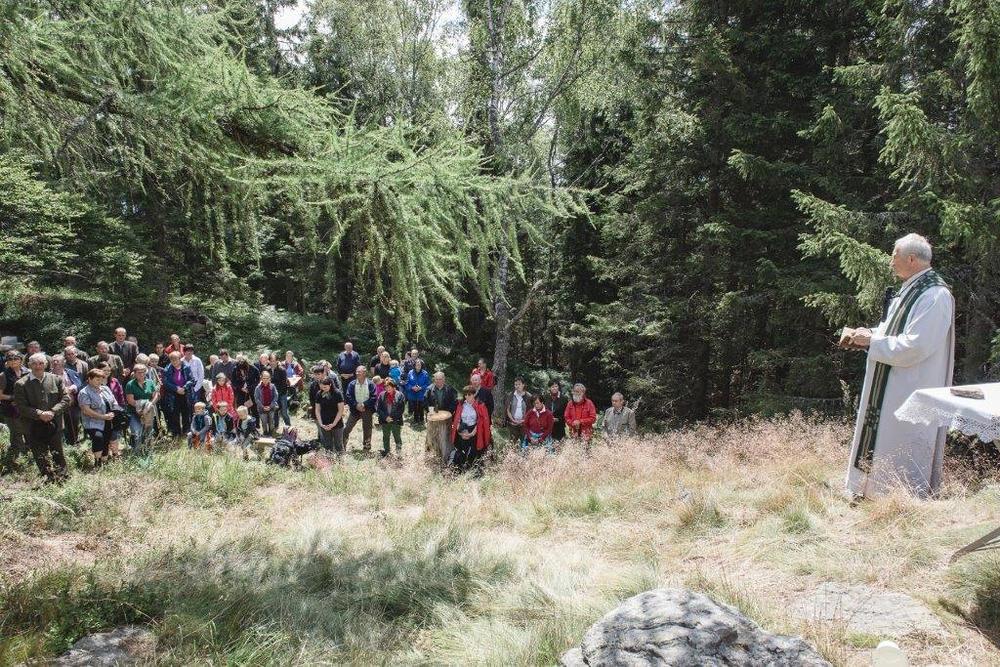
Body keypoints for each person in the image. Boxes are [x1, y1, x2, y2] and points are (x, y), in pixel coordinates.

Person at [842, 233, 955, 499]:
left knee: (899, 440)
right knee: (882, 437)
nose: (890, 261)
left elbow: (916, 346)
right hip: (892, 382)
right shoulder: (912, 288)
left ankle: (896, 499)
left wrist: (873, 342)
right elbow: (893, 331)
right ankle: (867, 492)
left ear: (911, 259)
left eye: (894, 255)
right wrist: (868, 334)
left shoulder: (935, 295)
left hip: (909, 386)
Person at [13, 353, 72, 482]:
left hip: (55, 423)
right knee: (40, 454)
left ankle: (63, 477)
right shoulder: (21, 384)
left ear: (45, 365)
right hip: (32, 426)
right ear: (29, 365)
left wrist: (53, 411)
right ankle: (48, 478)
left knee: (58, 452)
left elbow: (66, 399)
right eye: (34, 363)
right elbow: (21, 406)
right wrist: (40, 414)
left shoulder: (56, 379)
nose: (38, 366)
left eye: (41, 363)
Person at [78, 368, 123, 467]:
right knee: (98, 438)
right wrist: (103, 417)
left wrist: (114, 412)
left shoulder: (105, 389)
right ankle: (97, 462)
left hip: (108, 420)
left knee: (106, 439)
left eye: (101, 379)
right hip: (92, 422)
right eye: (97, 379)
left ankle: (104, 462)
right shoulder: (84, 392)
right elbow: (86, 410)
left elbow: (114, 401)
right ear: (89, 379)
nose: (100, 382)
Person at [450, 385, 491, 469]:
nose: (467, 396)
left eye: (469, 394)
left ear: (474, 394)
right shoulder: (461, 404)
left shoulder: (480, 405)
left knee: (473, 450)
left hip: (475, 430)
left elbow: (480, 422)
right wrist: (460, 432)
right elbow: (457, 419)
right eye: (465, 394)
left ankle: (471, 466)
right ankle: (460, 466)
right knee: (462, 449)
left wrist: (471, 434)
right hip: (463, 429)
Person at [0, 351, 28, 471]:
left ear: (21, 360)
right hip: (11, 409)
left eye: (15, 358)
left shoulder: (28, 372)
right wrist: (14, 398)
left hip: (27, 408)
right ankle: (20, 460)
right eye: (10, 359)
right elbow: (0, 395)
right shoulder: (3, 375)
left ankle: (24, 456)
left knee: (28, 432)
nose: (13, 361)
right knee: (17, 433)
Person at [124, 363, 158, 452]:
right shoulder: (130, 384)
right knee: (137, 432)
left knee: (148, 431)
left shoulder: (150, 382)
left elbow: (155, 395)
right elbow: (130, 400)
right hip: (134, 412)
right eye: (139, 372)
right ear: (134, 373)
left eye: (143, 372)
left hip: (148, 412)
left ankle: (148, 451)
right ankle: (136, 452)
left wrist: (150, 404)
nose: (142, 374)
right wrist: (141, 408)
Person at [49, 355, 82, 446]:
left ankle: (74, 443)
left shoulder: (71, 372)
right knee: (58, 426)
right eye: (53, 361)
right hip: (56, 406)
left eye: (57, 361)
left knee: (73, 424)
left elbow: (79, 383)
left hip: (72, 404)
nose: (55, 363)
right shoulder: (48, 375)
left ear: (63, 362)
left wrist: (73, 387)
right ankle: (60, 445)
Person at [161, 351, 195, 435]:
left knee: (186, 412)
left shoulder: (186, 367)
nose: (174, 362)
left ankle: (186, 430)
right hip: (173, 394)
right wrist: (176, 389)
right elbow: (165, 382)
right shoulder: (167, 369)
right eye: (172, 360)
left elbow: (192, 380)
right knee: (174, 413)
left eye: (175, 359)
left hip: (185, 393)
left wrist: (184, 387)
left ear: (180, 359)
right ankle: (176, 432)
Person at [344, 366, 377, 452]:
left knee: (367, 430)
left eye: (359, 372)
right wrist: (356, 405)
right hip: (355, 410)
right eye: (356, 371)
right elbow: (348, 396)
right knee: (347, 428)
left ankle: (366, 448)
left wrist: (364, 404)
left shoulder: (370, 384)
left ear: (364, 373)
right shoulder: (352, 384)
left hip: (367, 410)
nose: (357, 373)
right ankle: (342, 446)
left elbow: (374, 397)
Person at [314, 376, 345, 456]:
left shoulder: (337, 393)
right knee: (327, 445)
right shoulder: (319, 394)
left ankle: (340, 461)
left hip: (337, 423)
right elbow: (317, 410)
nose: (323, 389)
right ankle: (329, 460)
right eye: (322, 387)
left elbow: (341, 410)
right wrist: (321, 424)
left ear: (330, 384)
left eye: (325, 387)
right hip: (324, 423)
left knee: (338, 444)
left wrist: (334, 424)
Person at [376, 378, 406, 457]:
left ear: (393, 387)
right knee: (386, 436)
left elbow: (401, 409)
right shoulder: (382, 395)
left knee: (397, 436)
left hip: (396, 420)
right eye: (386, 387)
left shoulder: (400, 395)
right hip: (385, 420)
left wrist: (392, 418)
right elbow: (378, 408)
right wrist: (386, 417)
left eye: (389, 387)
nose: (387, 388)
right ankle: (387, 451)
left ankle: (399, 452)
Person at [269, 352, 292, 428]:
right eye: (271, 361)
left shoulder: (282, 370)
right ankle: (276, 426)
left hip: (282, 393)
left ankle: (289, 427)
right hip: (272, 394)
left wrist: (277, 394)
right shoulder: (267, 369)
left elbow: (283, 384)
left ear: (277, 361)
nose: (272, 362)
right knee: (275, 411)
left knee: (284, 412)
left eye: (274, 361)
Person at [404, 359, 430, 425]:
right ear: (414, 365)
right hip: (412, 393)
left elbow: (427, 384)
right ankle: (415, 419)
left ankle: (421, 419)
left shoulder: (425, 373)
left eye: (419, 365)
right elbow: (407, 383)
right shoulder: (410, 372)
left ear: (422, 366)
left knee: (421, 406)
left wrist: (421, 388)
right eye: (417, 365)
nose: (418, 366)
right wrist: (412, 387)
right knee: (415, 406)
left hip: (422, 393)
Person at [255, 371, 279, 436]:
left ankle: (271, 432)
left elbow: (276, 396)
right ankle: (265, 433)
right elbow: (256, 399)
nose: (265, 380)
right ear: (261, 378)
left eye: (267, 378)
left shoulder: (272, 386)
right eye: (264, 378)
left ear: (269, 378)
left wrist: (270, 406)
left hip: (271, 407)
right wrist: (263, 407)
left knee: (271, 421)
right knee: (264, 422)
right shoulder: (258, 388)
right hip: (262, 408)